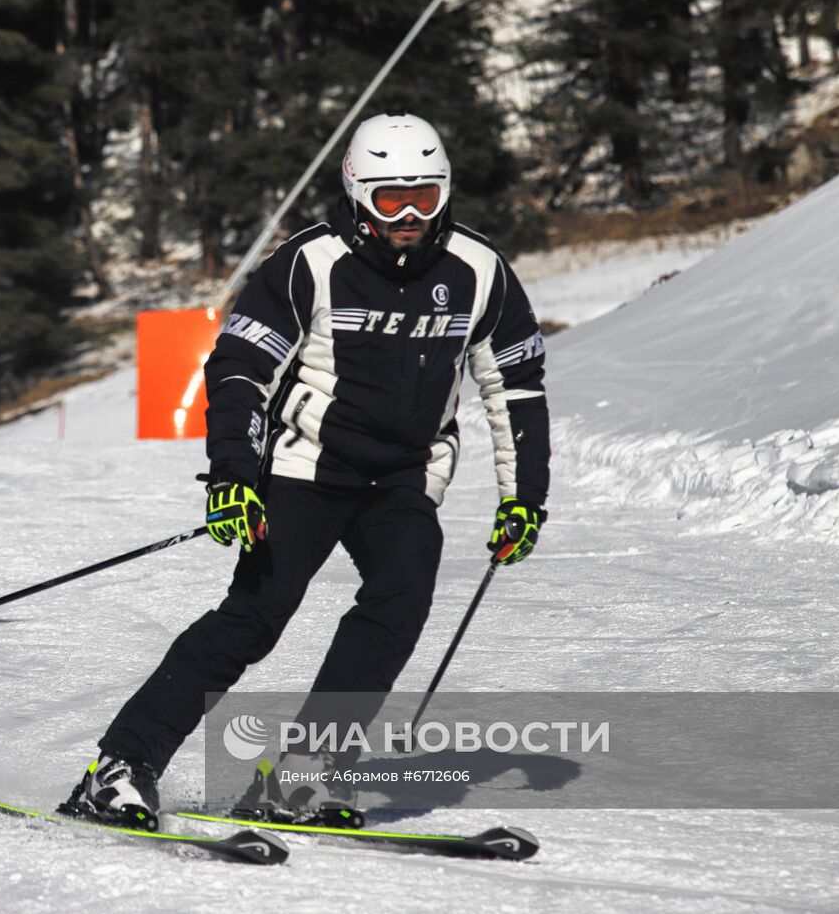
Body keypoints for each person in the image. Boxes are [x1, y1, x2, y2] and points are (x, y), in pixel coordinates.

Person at [62, 112, 550, 831]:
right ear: (357, 195)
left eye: (425, 195)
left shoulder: (481, 273)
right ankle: (121, 765)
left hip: (404, 479)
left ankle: (305, 773)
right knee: (254, 619)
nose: (410, 216)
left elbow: (516, 386)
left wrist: (525, 497)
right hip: (302, 470)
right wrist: (232, 474)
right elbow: (239, 369)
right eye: (391, 200)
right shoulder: (310, 262)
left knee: (401, 596)